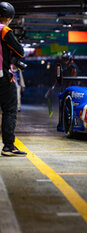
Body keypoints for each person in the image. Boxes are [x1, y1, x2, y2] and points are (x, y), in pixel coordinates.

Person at [0, 2, 26, 156]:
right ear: (8, 17)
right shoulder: (4, 29)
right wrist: (14, 59)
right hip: (2, 77)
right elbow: (20, 50)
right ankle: (9, 146)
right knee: (9, 111)